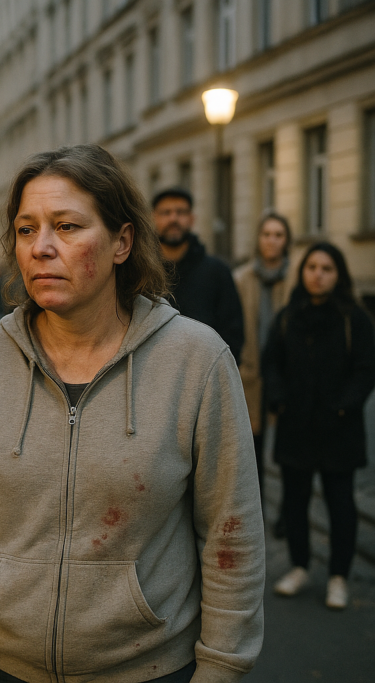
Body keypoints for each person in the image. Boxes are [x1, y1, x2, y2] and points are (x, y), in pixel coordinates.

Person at [0, 145, 264, 683]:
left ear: (122, 242)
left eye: (67, 227)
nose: (42, 248)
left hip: (147, 668)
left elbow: (230, 532)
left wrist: (221, 669)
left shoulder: (196, 360)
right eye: (26, 230)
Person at [263, 242, 375, 610]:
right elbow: (271, 363)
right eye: (312, 267)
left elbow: (365, 369)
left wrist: (346, 406)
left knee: (340, 504)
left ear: (338, 274)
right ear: (303, 272)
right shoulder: (287, 317)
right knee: (295, 503)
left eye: (327, 268)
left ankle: (339, 576)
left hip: (339, 429)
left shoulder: (353, 319)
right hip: (296, 427)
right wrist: (278, 399)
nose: (318, 274)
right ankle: (299, 566)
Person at [233, 213, 293, 506]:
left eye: (278, 235)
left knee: (289, 447)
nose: (272, 240)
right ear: (258, 239)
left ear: (286, 241)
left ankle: (287, 510)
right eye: (267, 234)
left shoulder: (297, 278)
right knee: (252, 447)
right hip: (250, 374)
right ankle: (256, 509)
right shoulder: (241, 278)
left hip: (288, 373)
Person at [152, 187, 244, 363]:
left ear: (192, 219)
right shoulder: (140, 272)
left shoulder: (218, 272)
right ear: (153, 218)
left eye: (181, 212)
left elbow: (233, 336)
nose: (174, 218)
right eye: (166, 212)